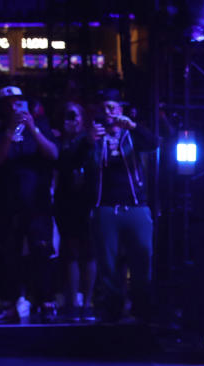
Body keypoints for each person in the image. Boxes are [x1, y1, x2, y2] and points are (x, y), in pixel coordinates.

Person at [89, 91, 159, 323]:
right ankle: (112, 308)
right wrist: (89, 140)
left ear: (120, 109)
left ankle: (141, 307)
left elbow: (153, 143)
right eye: (105, 108)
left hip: (135, 207)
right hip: (106, 208)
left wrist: (133, 126)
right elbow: (71, 160)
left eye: (114, 107)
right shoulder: (93, 136)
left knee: (142, 257)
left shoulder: (131, 135)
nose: (109, 112)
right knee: (107, 263)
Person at [0, 85, 58, 322]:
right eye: (8, 102)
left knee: (41, 251)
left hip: (37, 204)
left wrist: (32, 128)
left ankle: (45, 301)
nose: (13, 106)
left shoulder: (39, 126)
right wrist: (9, 132)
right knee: (8, 254)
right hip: (6, 205)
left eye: (18, 101)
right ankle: (10, 302)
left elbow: (53, 154)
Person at [54, 101, 97, 321]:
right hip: (65, 201)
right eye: (68, 117)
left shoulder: (89, 140)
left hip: (86, 201)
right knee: (69, 251)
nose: (72, 121)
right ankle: (72, 302)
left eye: (75, 116)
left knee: (88, 251)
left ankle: (87, 303)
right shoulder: (58, 141)